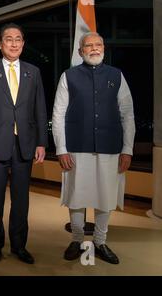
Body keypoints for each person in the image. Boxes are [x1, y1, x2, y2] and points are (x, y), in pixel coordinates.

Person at [52, 32, 135, 265]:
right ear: (81, 51)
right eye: (88, 45)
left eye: (98, 45)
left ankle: (100, 241)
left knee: (105, 197)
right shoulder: (68, 76)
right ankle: (77, 240)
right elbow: (58, 114)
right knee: (76, 196)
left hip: (111, 147)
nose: (94, 48)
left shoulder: (116, 76)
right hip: (76, 147)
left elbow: (127, 114)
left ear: (104, 49)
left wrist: (127, 148)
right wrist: (61, 148)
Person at [0, 23, 48, 264]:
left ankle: (19, 246)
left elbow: (40, 109)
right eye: (9, 39)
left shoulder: (33, 72)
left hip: (25, 145)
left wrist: (41, 142)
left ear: (23, 43)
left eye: (18, 39)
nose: (14, 43)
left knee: (21, 201)